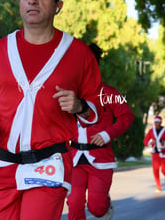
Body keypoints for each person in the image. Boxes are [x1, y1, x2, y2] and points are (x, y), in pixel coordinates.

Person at [0, 0, 102, 220]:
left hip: (48, 163)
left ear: (58, 6)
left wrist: (79, 106)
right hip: (4, 163)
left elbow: (97, 105)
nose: (32, 1)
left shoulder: (78, 53)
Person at [66, 43, 134, 220]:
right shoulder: (68, 93)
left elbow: (127, 116)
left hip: (100, 158)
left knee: (97, 208)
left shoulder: (108, 93)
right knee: (74, 205)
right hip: (73, 158)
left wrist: (106, 134)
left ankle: (104, 204)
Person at [143, 115, 165, 192]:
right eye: (155, 122)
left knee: (164, 169)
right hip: (155, 153)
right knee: (155, 170)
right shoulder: (151, 131)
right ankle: (158, 186)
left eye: (158, 122)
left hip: (164, 154)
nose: (156, 123)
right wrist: (150, 142)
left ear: (161, 122)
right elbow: (146, 140)